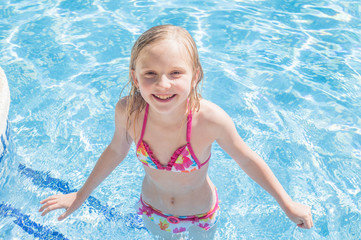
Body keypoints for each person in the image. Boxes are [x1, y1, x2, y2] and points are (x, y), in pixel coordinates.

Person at [39, 25, 313, 239]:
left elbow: (247, 159)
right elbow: (115, 151)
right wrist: (80, 195)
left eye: (175, 73)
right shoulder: (129, 112)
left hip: (201, 214)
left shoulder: (210, 119)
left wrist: (287, 204)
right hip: (152, 209)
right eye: (150, 74)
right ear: (135, 77)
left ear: (195, 76)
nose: (163, 84)